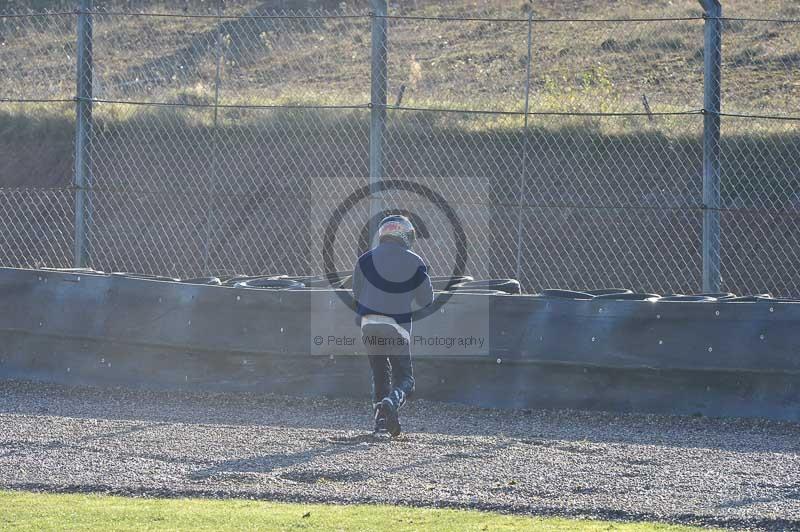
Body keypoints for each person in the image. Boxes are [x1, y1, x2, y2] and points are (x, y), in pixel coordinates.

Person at [351, 214, 434, 436]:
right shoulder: (414, 260)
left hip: (368, 324)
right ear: (405, 236)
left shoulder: (364, 259)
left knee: (380, 374)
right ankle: (391, 401)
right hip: (396, 325)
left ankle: (380, 425)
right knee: (405, 379)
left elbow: (357, 295)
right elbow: (427, 300)